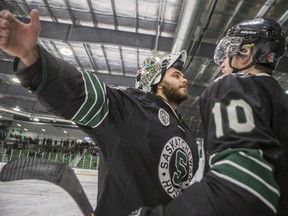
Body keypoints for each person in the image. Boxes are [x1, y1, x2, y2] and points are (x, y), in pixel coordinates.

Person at [0, 9, 199, 216]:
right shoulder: (133, 109)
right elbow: (79, 91)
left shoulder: (188, 135)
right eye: (176, 75)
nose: (184, 79)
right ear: (156, 82)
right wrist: (31, 57)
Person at [128, 18, 288, 216]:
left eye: (228, 51)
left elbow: (242, 187)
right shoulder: (281, 100)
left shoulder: (232, 86)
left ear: (245, 53)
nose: (222, 63)